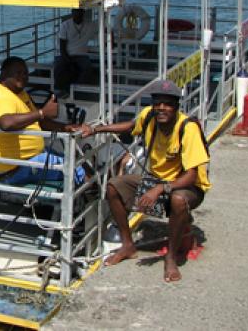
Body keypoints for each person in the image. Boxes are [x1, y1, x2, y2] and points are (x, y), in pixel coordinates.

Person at [79, 79, 211, 283]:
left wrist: (160, 188)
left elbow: (191, 175)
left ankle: (171, 258)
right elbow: (130, 126)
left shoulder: (187, 127)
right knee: (114, 186)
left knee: (177, 200)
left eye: (167, 104)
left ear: (176, 106)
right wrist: (96, 130)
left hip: (187, 187)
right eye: (158, 102)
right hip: (156, 180)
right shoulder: (149, 115)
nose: (161, 108)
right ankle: (127, 245)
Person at [0, 56, 85, 185]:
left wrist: (65, 127)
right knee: (78, 169)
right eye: (18, 73)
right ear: (5, 74)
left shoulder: (21, 94)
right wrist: (42, 112)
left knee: (74, 159)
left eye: (26, 73)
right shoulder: (2, 96)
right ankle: (90, 198)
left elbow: (40, 121)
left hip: (29, 159)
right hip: (14, 169)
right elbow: (6, 123)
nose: (23, 76)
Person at [54, 9, 97, 97]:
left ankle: (76, 90)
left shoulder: (90, 25)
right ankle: (59, 90)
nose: (77, 14)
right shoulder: (65, 25)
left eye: (79, 12)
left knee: (87, 68)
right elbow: (62, 47)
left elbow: (105, 28)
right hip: (66, 54)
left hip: (82, 55)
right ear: (72, 12)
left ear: (83, 13)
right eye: (75, 11)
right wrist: (68, 60)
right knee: (59, 67)